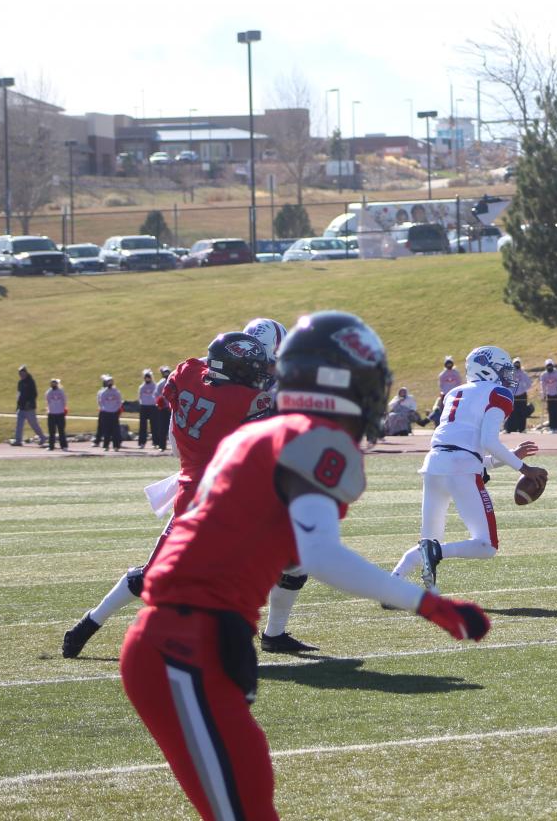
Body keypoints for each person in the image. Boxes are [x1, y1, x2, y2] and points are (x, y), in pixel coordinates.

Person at [119, 311, 491, 821]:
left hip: (193, 635)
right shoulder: (317, 442)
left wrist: (232, 626)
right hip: (186, 643)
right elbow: (320, 555)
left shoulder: (259, 434)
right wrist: (424, 602)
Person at [63, 333, 282, 658]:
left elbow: (173, 393)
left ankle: (87, 625)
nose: (256, 376)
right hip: (221, 497)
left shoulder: (189, 371)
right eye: (250, 370)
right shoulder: (245, 400)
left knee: (157, 573)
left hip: (191, 484)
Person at [391, 346, 547, 592]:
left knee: (430, 539)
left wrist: (511, 458)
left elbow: (463, 450)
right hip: (460, 468)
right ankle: (433, 555)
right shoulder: (498, 394)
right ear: (488, 368)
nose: (508, 375)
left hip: (434, 465)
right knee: (486, 545)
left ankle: (394, 584)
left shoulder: (454, 392)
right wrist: (523, 468)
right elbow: (487, 443)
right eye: (503, 369)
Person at [12, 365, 46, 447]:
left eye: (22, 373)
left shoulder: (31, 382)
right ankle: (18, 440)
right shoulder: (20, 383)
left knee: (34, 424)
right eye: (20, 374)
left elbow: (34, 394)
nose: (21, 375)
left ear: (26, 372)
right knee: (19, 424)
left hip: (29, 408)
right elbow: (19, 394)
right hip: (21, 407)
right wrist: (18, 405)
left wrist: (29, 403)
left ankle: (42, 437)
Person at [430, 355, 463, 425]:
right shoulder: (442, 374)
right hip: (445, 394)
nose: (449, 365)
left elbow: (459, 383)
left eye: (450, 363)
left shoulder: (456, 373)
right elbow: (441, 385)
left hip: (455, 394)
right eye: (448, 364)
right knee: (441, 408)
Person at [96, 375, 124, 452]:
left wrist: (116, 409)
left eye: (111, 382)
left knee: (115, 430)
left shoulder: (116, 392)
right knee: (106, 430)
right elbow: (101, 402)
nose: (110, 383)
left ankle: (116, 446)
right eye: (108, 382)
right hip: (106, 413)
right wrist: (106, 409)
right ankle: (106, 445)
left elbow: (119, 401)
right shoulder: (103, 392)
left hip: (114, 413)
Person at [505, 357, 533, 433]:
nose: (517, 365)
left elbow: (529, 384)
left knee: (522, 412)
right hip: (512, 395)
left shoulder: (523, 374)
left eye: (518, 363)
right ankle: (509, 429)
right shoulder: (509, 373)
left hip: (522, 395)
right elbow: (505, 383)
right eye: (515, 363)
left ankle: (522, 429)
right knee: (511, 412)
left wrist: (523, 389)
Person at [540, 358, 557, 433]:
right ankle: (552, 427)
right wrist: (543, 395)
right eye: (548, 366)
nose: (549, 367)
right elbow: (543, 386)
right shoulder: (544, 375)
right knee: (551, 412)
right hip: (549, 395)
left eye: (550, 365)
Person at [151, 365, 172, 451]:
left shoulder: (173, 381)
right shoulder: (160, 383)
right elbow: (156, 394)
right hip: (164, 408)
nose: (166, 374)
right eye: (165, 372)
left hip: (173, 407)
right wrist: (161, 400)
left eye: (168, 372)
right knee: (163, 427)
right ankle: (162, 446)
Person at [136, 370, 158, 448]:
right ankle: (142, 443)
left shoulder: (155, 386)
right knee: (142, 426)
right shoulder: (142, 387)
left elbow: (157, 395)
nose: (147, 379)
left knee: (154, 425)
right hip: (144, 406)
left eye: (149, 377)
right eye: (146, 377)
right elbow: (140, 397)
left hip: (153, 407)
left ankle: (155, 442)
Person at [45, 378, 69, 451]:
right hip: (51, 413)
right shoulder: (48, 392)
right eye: (52, 383)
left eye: (55, 383)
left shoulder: (61, 392)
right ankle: (51, 446)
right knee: (51, 431)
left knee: (61, 431)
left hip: (60, 413)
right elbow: (48, 401)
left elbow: (64, 401)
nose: (53, 384)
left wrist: (61, 409)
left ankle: (64, 446)